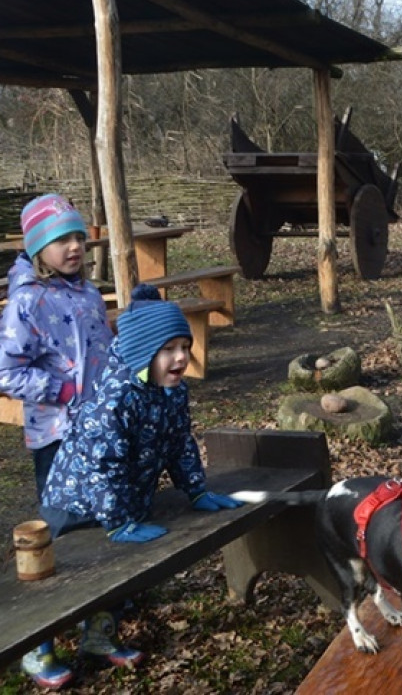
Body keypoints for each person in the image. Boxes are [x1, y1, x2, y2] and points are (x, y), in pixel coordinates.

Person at [38, 284, 242, 682]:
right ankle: (38, 650)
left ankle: (99, 635)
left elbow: (180, 440)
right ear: (142, 353)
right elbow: (101, 462)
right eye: (169, 349)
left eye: (184, 346)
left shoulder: (171, 391)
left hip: (122, 501)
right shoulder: (116, 398)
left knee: (113, 572)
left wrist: (195, 487)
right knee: (65, 579)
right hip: (75, 504)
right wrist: (117, 519)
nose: (181, 357)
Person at [0, 194, 113, 689]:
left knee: (106, 525)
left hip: (100, 432)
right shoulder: (27, 301)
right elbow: (8, 371)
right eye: (60, 240)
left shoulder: (88, 293)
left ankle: (100, 629)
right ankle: (38, 645)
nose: (73, 247)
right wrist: (62, 389)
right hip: (56, 436)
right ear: (37, 248)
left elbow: (105, 355)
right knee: (62, 534)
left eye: (77, 238)